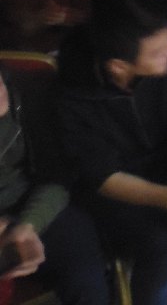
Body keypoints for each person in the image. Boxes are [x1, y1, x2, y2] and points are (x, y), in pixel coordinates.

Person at [58, 0, 167, 305]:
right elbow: (98, 174)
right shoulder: (73, 92)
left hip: (164, 160)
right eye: (158, 50)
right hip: (112, 185)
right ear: (118, 67)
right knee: (163, 241)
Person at [0, 68, 110, 304]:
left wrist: (29, 224)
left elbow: (57, 176)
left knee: (83, 273)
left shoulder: (28, 94)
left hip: (31, 202)